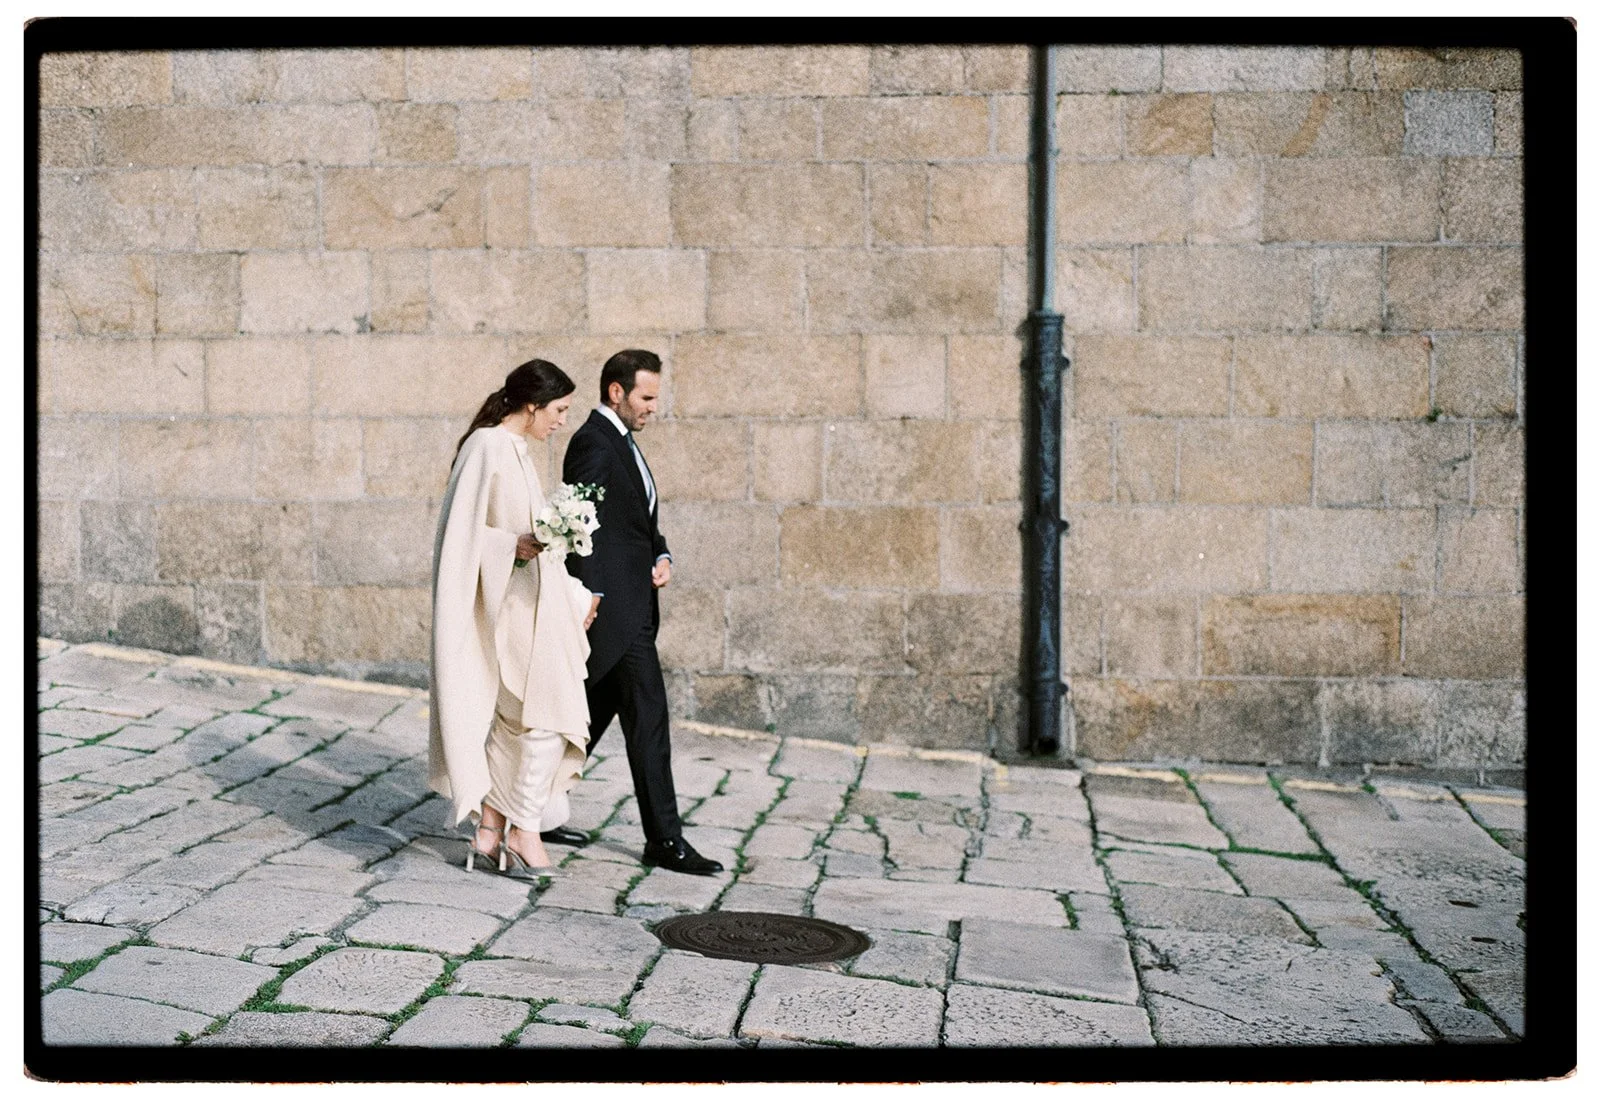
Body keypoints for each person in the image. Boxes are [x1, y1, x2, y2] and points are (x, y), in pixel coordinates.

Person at [428, 359, 602, 879]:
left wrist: (571, 593)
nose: (562, 421)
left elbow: (533, 541)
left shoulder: (519, 451)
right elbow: (459, 539)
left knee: (519, 723)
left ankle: (490, 831)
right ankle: (525, 829)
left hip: (535, 607)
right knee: (547, 722)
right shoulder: (486, 448)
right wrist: (515, 546)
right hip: (505, 612)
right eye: (559, 410)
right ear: (532, 405)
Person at [560, 349, 723, 876]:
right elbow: (578, 528)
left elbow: (636, 521)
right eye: (646, 397)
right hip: (615, 614)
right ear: (616, 392)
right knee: (648, 719)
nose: (654, 408)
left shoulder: (623, 444)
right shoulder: (592, 442)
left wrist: (661, 553)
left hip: (634, 605)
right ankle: (665, 839)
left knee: (578, 721)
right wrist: (587, 600)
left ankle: (530, 808)